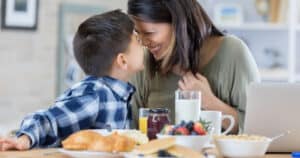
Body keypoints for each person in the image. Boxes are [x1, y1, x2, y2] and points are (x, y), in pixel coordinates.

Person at [0, 10, 144, 151]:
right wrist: (24, 139)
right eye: (137, 40)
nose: (143, 44)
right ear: (123, 61)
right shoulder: (94, 94)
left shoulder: (121, 95)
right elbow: (50, 120)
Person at [128, 0, 260, 134]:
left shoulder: (233, 53)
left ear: (178, 23)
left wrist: (210, 103)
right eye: (138, 33)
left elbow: (259, 130)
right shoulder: (143, 62)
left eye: (149, 33)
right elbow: (129, 130)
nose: (144, 43)